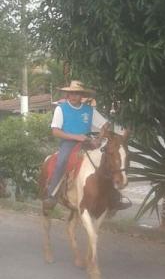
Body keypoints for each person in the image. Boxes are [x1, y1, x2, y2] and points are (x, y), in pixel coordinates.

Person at [43, 80, 128, 211]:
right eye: (71, 93)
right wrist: (76, 137)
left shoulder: (89, 110)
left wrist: (99, 139)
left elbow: (105, 125)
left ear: (82, 95)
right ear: (67, 95)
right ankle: (52, 194)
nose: (74, 96)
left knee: (107, 161)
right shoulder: (61, 109)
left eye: (77, 93)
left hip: (88, 141)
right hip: (68, 142)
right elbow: (55, 131)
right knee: (62, 161)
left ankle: (114, 197)